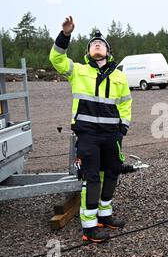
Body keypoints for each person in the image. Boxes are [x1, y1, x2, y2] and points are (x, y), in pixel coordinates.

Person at [49, 16, 132, 243]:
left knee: (112, 173)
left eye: (101, 43)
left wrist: (122, 128)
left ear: (108, 50)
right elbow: (56, 58)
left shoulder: (119, 76)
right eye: (93, 43)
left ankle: (105, 216)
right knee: (92, 178)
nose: (97, 44)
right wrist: (65, 35)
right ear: (88, 51)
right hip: (88, 136)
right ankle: (89, 227)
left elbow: (125, 103)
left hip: (112, 136)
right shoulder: (78, 70)